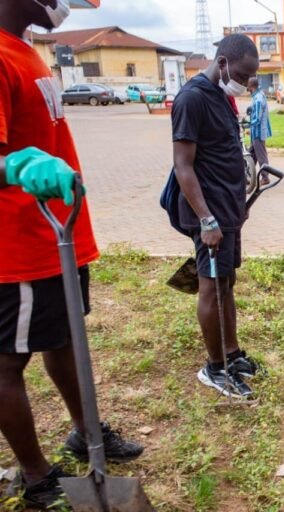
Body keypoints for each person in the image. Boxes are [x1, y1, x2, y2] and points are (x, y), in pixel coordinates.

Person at [0, 1, 144, 507]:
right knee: (6, 363)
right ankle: (36, 474)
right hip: (16, 247)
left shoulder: (28, 51)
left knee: (65, 341)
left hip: (58, 238)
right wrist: (13, 165)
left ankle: (86, 432)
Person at [172, 34, 262, 398]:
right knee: (210, 287)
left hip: (228, 211)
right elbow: (183, 167)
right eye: (241, 74)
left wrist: (237, 207)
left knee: (226, 282)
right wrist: (207, 220)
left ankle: (231, 353)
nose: (244, 83)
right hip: (208, 215)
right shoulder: (192, 99)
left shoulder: (222, 97)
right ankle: (214, 368)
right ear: (222, 62)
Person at [247, 77, 271, 186]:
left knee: (261, 155)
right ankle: (248, 175)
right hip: (256, 132)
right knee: (251, 154)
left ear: (251, 86)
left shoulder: (258, 99)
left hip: (258, 132)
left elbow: (257, 119)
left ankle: (265, 177)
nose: (246, 87)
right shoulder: (259, 95)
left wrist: (247, 124)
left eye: (247, 85)